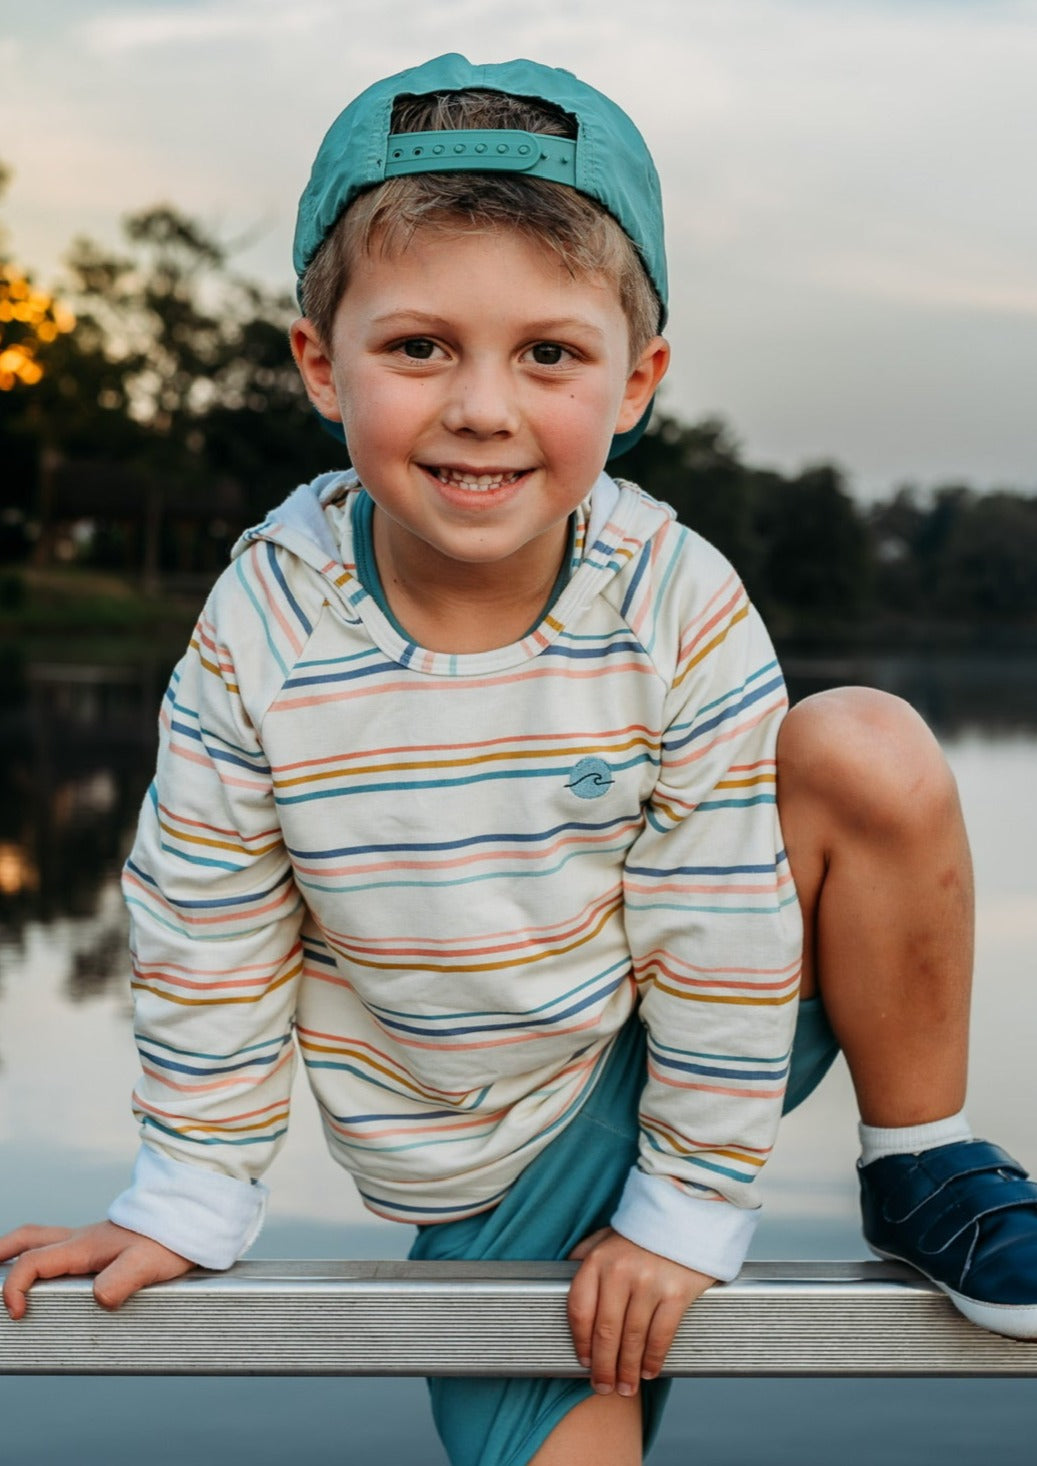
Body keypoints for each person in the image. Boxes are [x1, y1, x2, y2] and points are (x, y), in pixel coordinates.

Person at [2, 53, 1035, 1466]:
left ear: (635, 382)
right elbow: (210, 919)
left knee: (864, 743)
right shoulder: (266, 622)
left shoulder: (675, 597)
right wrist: (184, 1196)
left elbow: (723, 927)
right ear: (320, 362)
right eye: (419, 346)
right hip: (483, 1158)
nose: (481, 404)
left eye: (547, 353)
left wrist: (680, 1210)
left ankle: (922, 1160)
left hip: (690, 1022)